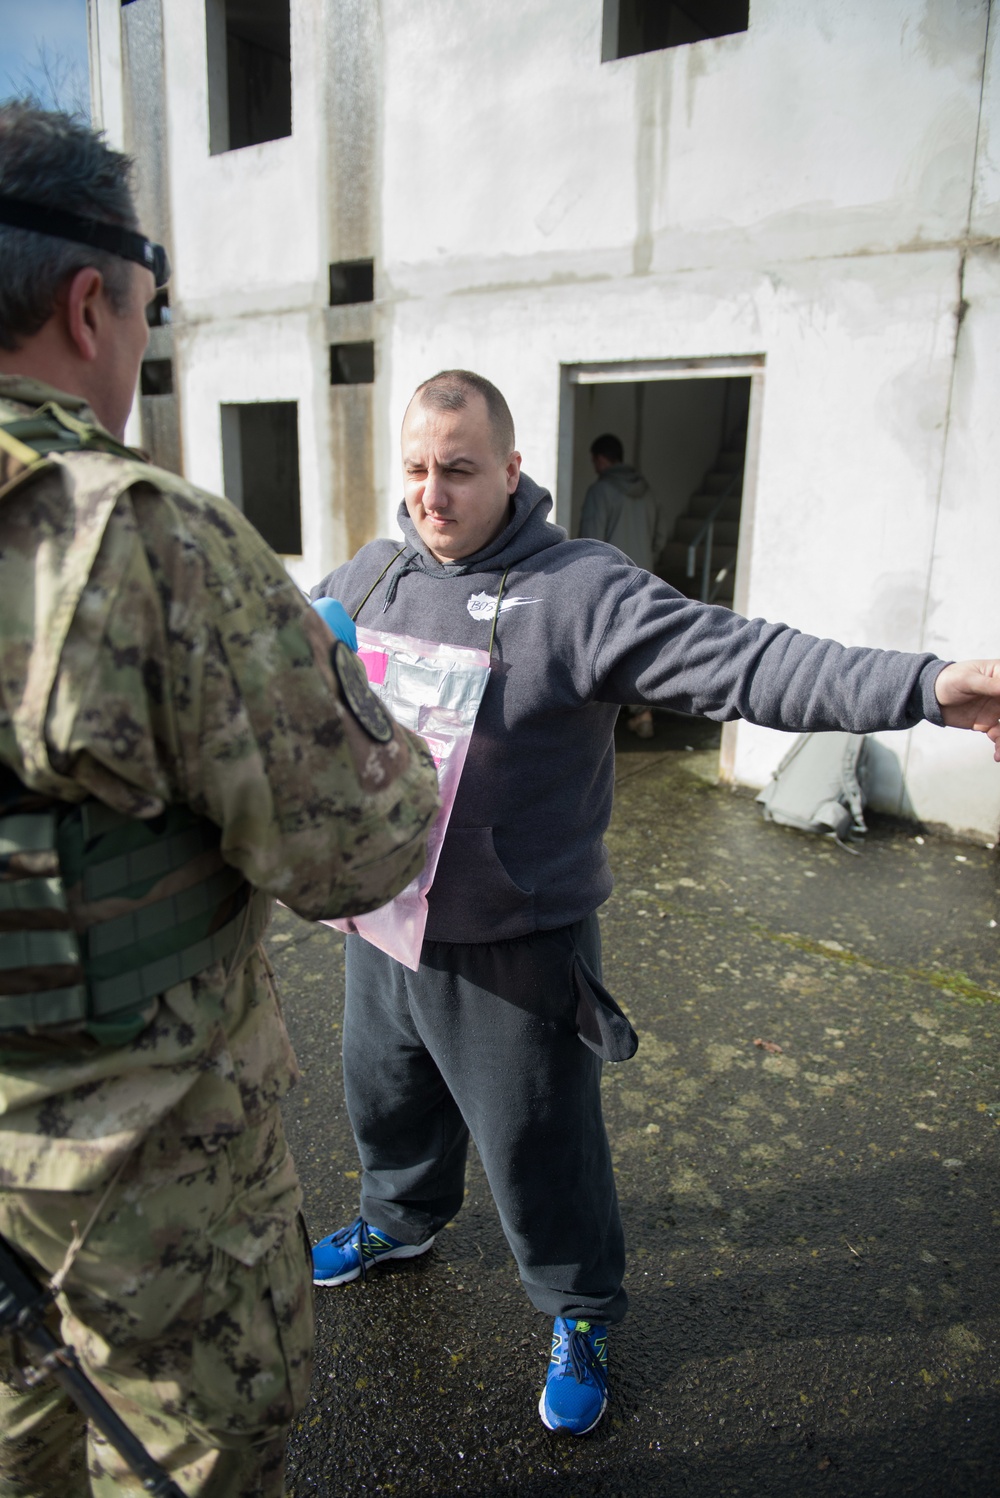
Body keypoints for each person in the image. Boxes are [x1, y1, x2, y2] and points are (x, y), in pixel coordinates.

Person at [310, 366, 1000, 1438]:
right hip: (385, 925)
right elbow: (297, 649)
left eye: (457, 470)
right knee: (384, 1098)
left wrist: (927, 685)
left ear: (511, 468)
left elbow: (746, 661)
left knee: (541, 1146)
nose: (431, 495)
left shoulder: (578, 590)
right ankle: (397, 1219)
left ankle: (578, 1307)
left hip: (512, 941)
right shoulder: (378, 570)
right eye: (415, 470)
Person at [0, 103, 440, 1497]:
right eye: (149, 312)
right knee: (181, 1459)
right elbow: (362, 846)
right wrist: (346, 697)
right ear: (91, 303)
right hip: (148, 1194)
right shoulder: (140, 539)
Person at [578, 432, 670, 738]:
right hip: (644, 580)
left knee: (607, 650)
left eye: (594, 461)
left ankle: (608, 720)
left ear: (602, 459)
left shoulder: (600, 491)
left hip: (611, 584)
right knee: (641, 648)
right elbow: (660, 537)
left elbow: (591, 543)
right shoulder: (648, 492)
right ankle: (643, 712)